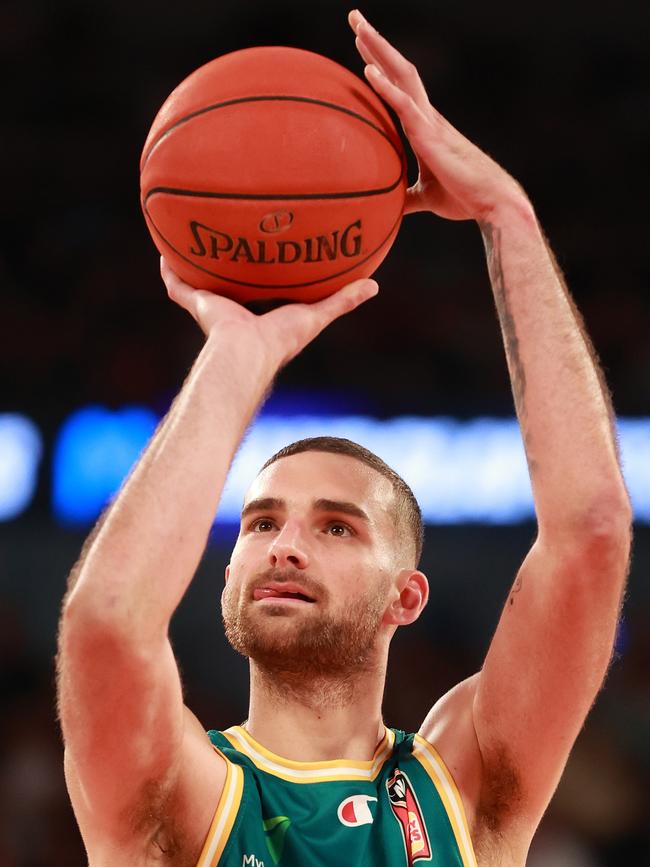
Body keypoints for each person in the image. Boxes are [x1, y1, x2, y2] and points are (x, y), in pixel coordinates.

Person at [56, 9, 632, 867]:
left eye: (336, 526)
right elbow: (106, 624)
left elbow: (589, 534)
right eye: (259, 522)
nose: (284, 545)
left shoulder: (462, 793)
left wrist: (505, 216)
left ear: (407, 595)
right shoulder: (180, 794)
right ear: (228, 576)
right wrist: (238, 360)